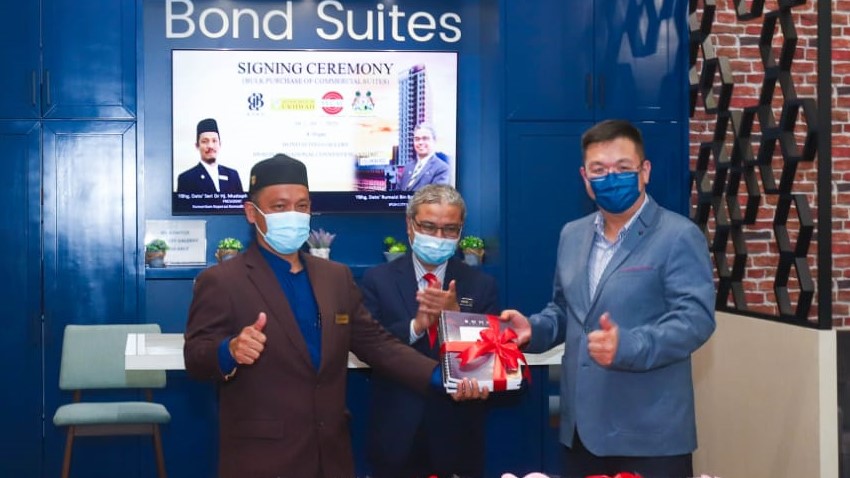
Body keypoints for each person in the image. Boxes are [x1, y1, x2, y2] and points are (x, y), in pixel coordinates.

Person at [183, 154, 487, 478]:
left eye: (301, 206)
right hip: (262, 458)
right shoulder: (222, 280)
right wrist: (228, 350)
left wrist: (445, 378)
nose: (293, 215)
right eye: (279, 206)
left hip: (331, 455)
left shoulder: (335, 277)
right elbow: (196, 356)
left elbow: (380, 346)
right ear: (251, 212)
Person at [500, 119, 716, 478]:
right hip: (580, 433)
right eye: (599, 170)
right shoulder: (572, 234)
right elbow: (566, 311)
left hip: (650, 437)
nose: (610, 178)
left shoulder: (679, 235)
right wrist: (533, 330)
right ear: (585, 178)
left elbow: (696, 320)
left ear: (644, 172)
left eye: (623, 168)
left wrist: (628, 345)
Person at [361, 184, 500, 478]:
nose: (438, 237)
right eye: (428, 226)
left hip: (458, 437)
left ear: (460, 231)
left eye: (449, 229)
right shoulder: (377, 280)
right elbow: (370, 346)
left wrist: (454, 319)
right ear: (410, 226)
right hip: (396, 435)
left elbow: (488, 360)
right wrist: (417, 326)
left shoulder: (480, 284)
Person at [176, 118, 244, 194]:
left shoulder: (233, 175)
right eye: (205, 141)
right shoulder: (186, 179)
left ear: (220, 144)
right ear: (197, 146)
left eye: (214, 141)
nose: (210, 146)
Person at [399, 123, 451, 191]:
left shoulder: (442, 168)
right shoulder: (407, 167)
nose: (420, 142)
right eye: (417, 139)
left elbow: (436, 195)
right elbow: (397, 193)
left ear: (434, 141)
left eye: (425, 138)